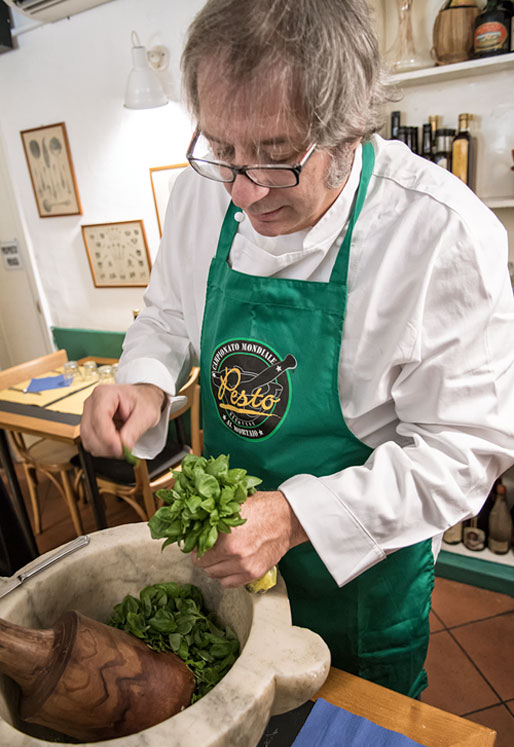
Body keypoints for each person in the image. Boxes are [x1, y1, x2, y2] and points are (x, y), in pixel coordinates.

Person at [81, 0, 514, 699]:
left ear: (350, 130)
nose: (244, 191)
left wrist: (292, 516)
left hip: (362, 582)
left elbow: (465, 450)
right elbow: (167, 311)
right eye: (223, 150)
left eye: (277, 159)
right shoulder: (208, 192)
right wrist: (146, 382)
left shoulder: (441, 234)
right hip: (230, 567)